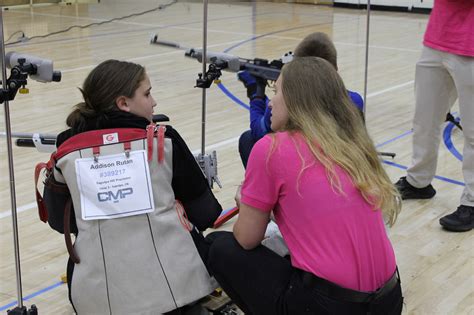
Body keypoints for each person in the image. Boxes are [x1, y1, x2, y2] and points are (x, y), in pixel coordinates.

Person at [206, 57, 403, 315]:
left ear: (297, 100)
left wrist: (245, 204)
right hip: (390, 300)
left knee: (219, 246)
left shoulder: (271, 148)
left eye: (277, 92)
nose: (270, 101)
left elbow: (246, 239)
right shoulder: (352, 142)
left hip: (332, 307)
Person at [44, 60, 222, 314]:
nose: (154, 102)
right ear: (123, 103)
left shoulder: (65, 151)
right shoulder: (164, 140)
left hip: (97, 298)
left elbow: (59, 221)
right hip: (176, 290)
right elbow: (205, 213)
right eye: (147, 94)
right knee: (218, 245)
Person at [395, 0, 473, 232]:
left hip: (470, 45)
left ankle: (471, 201)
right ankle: (418, 181)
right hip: (438, 37)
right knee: (424, 120)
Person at [238, 32, 364, 168]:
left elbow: (259, 131)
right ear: (336, 70)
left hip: (303, 166)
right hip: (342, 166)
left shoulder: (289, 103)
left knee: (248, 139)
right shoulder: (354, 100)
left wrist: (256, 94)